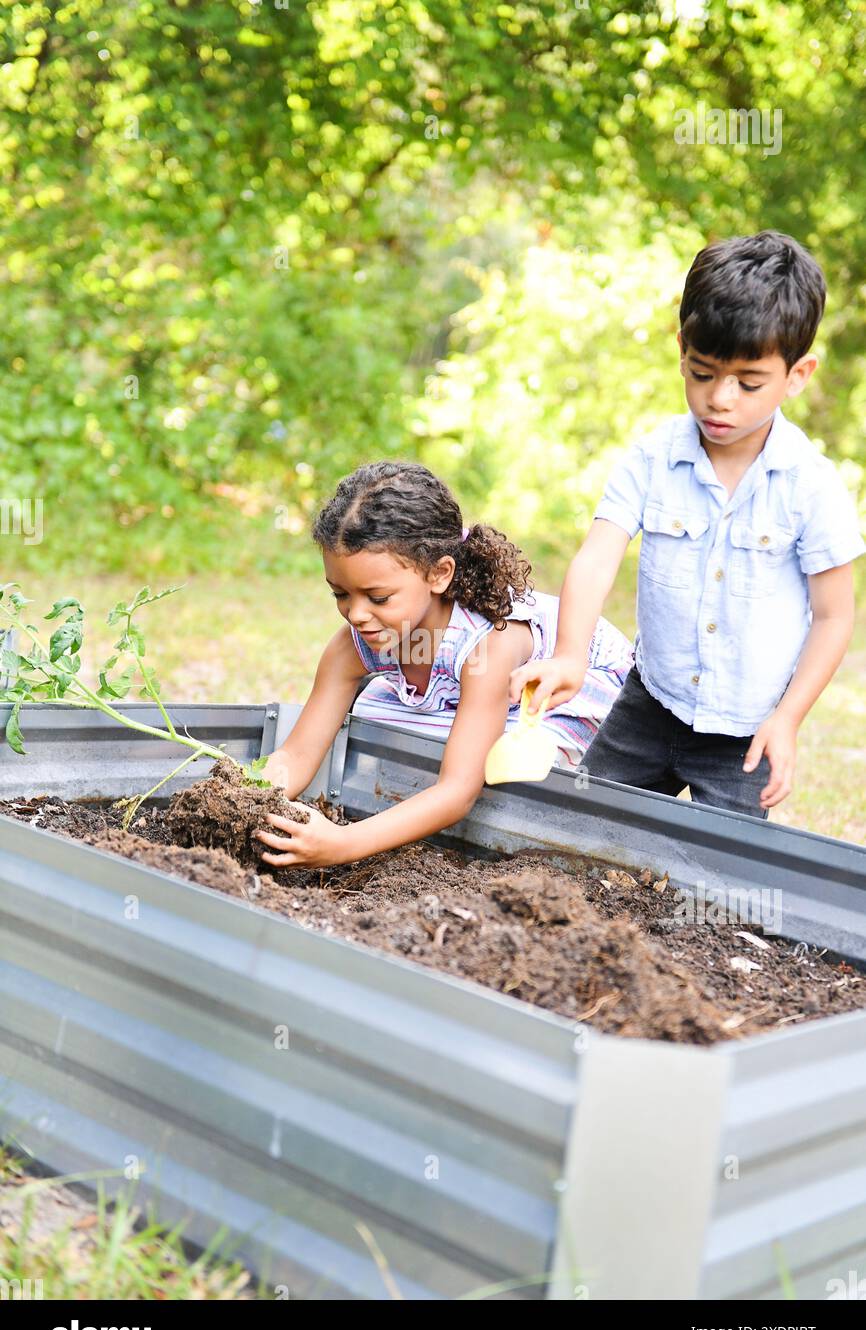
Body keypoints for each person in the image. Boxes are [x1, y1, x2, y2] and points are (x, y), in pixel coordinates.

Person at [510, 230, 866, 818]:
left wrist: (788, 719)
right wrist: (572, 654)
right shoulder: (653, 458)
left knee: (720, 882)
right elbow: (598, 558)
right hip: (648, 707)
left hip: (744, 738)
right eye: (702, 373)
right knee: (583, 833)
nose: (720, 399)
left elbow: (833, 617)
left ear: (797, 375)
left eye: (749, 384)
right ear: (682, 349)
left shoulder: (811, 485)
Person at [255, 461, 633, 867]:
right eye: (341, 595)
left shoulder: (489, 648)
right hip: (462, 688)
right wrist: (249, 797)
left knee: (499, 764)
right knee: (377, 718)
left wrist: (343, 844)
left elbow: (457, 792)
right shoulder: (353, 645)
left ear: (438, 574)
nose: (357, 614)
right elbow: (295, 756)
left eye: (378, 598)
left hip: (561, 691)